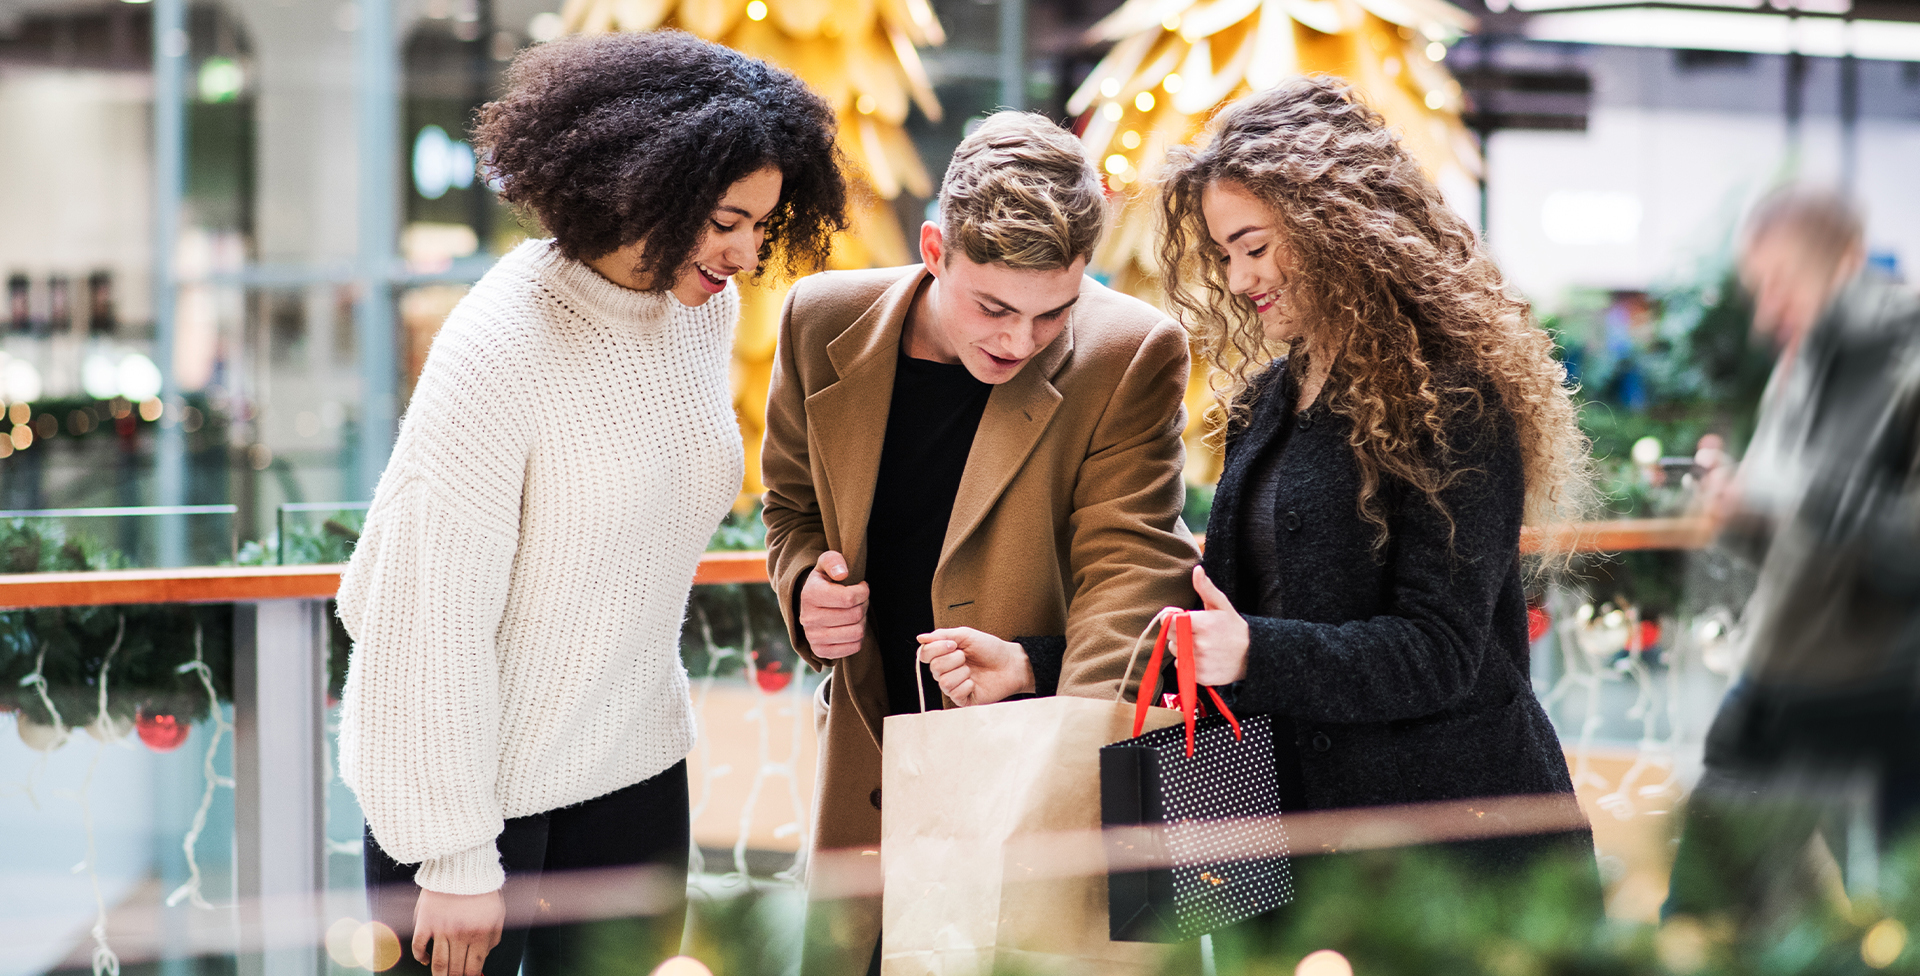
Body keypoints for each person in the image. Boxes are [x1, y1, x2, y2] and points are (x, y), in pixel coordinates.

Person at [335, 31, 847, 976]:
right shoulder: (500, 345)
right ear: (643, 187)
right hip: (474, 802)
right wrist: (452, 854)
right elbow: (421, 616)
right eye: (725, 219)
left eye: (762, 225)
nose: (745, 252)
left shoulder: (697, 312)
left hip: (632, 769)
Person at [759, 111, 1200, 974]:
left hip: (1032, 772)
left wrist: (1067, 790)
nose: (1017, 340)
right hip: (871, 770)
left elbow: (1131, 576)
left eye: (1052, 313)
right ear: (935, 250)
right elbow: (791, 505)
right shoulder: (821, 319)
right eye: (993, 305)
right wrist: (806, 584)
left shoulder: (1130, 353)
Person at [1155, 77, 1595, 892]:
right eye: (1225, 254)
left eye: (1254, 244)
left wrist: (1255, 651)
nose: (1240, 276)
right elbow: (1222, 610)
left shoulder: (1455, 394)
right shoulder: (1269, 399)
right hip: (1307, 851)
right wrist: (1035, 664)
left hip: (1454, 859)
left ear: (1331, 226)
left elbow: (1442, 652)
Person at [1665, 187, 1920, 929]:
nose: (1767, 311)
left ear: (1845, 267)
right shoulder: (1800, 372)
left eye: (1782, 284)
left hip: (1888, 697)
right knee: (1706, 909)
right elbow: (1799, 539)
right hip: (1788, 685)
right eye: (1759, 289)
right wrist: (1740, 511)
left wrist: (1799, 499)